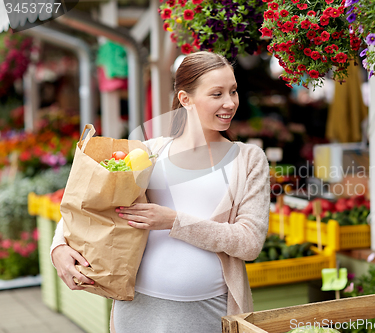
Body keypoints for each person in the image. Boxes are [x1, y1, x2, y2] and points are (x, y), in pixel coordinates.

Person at [50, 51, 270, 332]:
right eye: (217, 94)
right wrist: (58, 247)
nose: (230, 103)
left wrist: (173, 221)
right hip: (139, 308)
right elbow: (92, 201)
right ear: (185, 99)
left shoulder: (249, 159)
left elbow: (249, 242)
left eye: (233, 91)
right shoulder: (149, 152)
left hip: (209, 310)